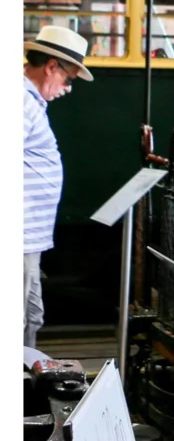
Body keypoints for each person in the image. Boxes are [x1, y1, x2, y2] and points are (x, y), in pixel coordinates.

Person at [25, 22, 94, 374]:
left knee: (30, 315)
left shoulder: (28, 102)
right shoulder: (19, 101)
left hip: (27, 238)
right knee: (21, 317)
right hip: (18, 238)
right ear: (51, 66)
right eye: (68, 78)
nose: (68, 88)